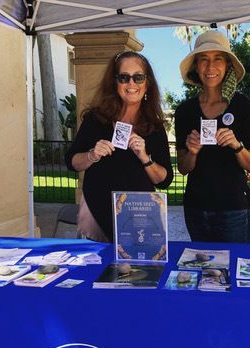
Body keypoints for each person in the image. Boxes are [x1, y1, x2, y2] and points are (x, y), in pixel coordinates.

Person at [65, 51, 173, 242]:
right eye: (124, 77)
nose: (131, 84)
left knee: (139, 270)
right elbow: (72, 162)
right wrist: (92, 155)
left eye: (138, 77)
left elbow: (164, 179)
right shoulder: (96, 119)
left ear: (147, 84)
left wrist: (145, 159)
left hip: (139, 213)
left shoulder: (154, 127)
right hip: (96, 209)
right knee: (95, 268)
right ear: (115, 83)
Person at [175, 30, 250, 243]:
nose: (210, 67)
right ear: (196, 66)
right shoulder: (185, 111)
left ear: (228, 65)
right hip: (196, 208)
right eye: (203, 60)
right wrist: (192, 152)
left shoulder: (244, 107)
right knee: (201, 268)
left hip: (233, 209)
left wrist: (237, 146)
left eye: (218, 59)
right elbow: (183, 167)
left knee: (232, 269)